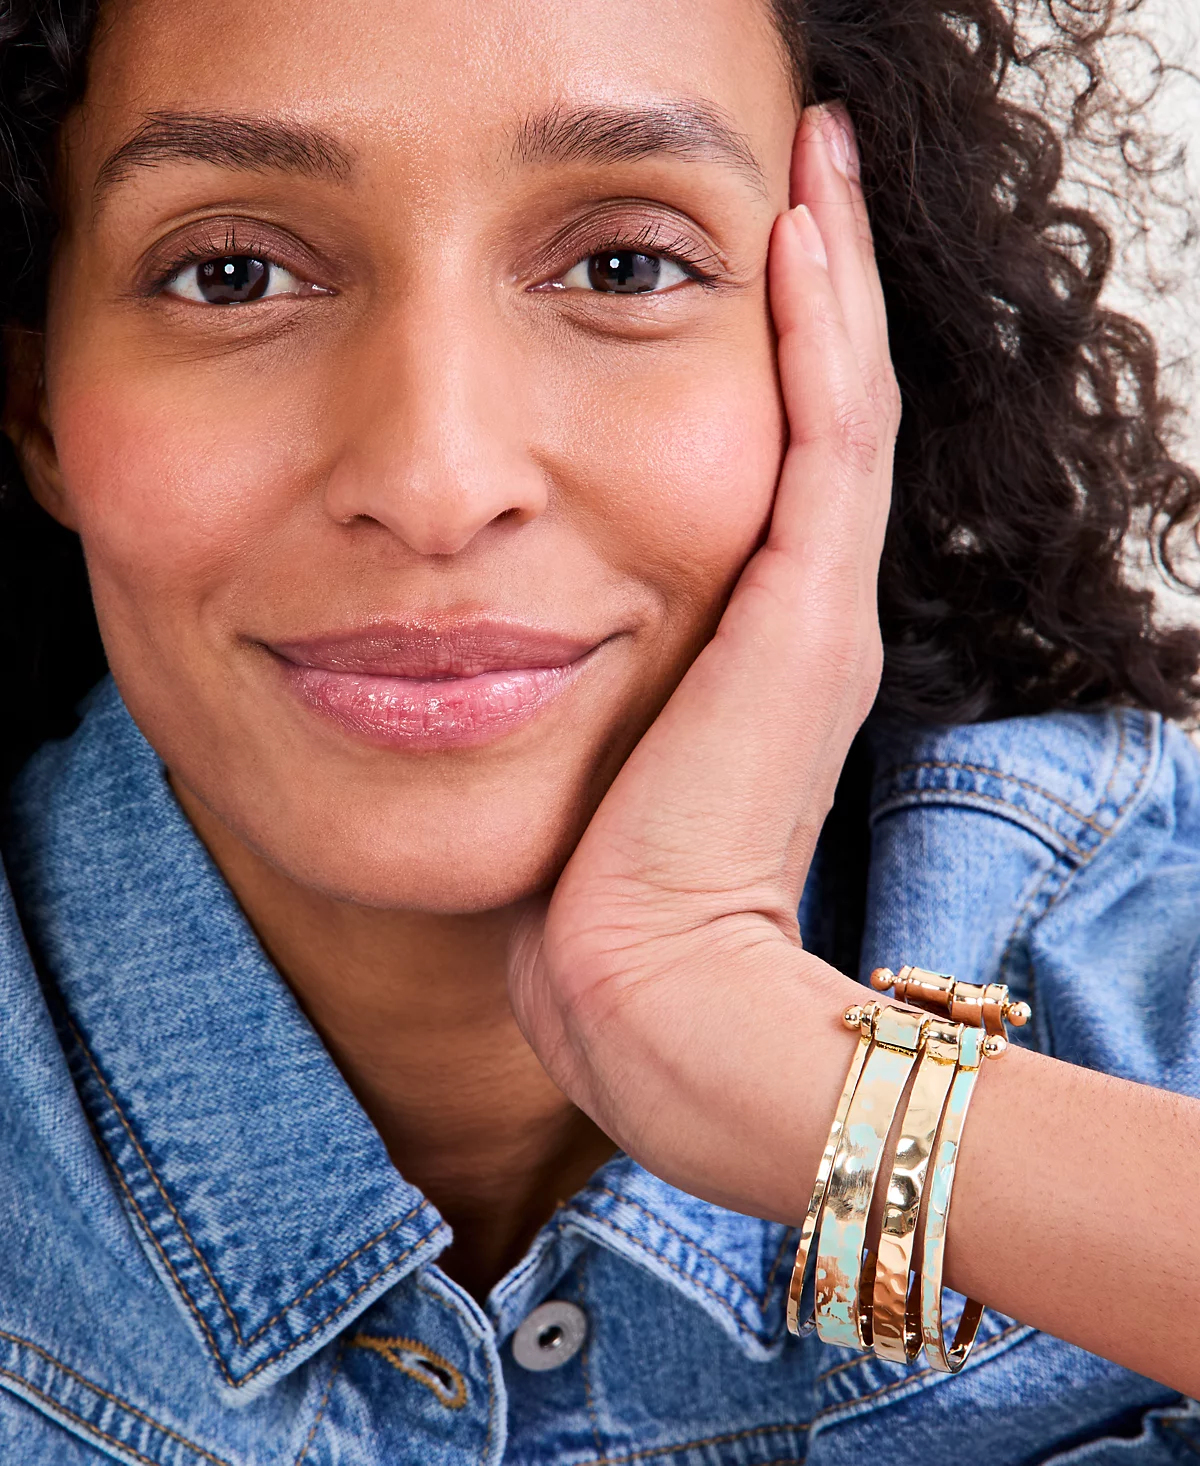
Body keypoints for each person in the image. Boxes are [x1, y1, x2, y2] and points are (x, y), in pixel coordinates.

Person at [1, 0, 1199, 1460]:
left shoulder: (1153, 959)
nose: (438, 479)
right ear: (40, 403)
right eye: (233, 273)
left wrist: (799, 1068)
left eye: (624, 265)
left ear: (846, 353)